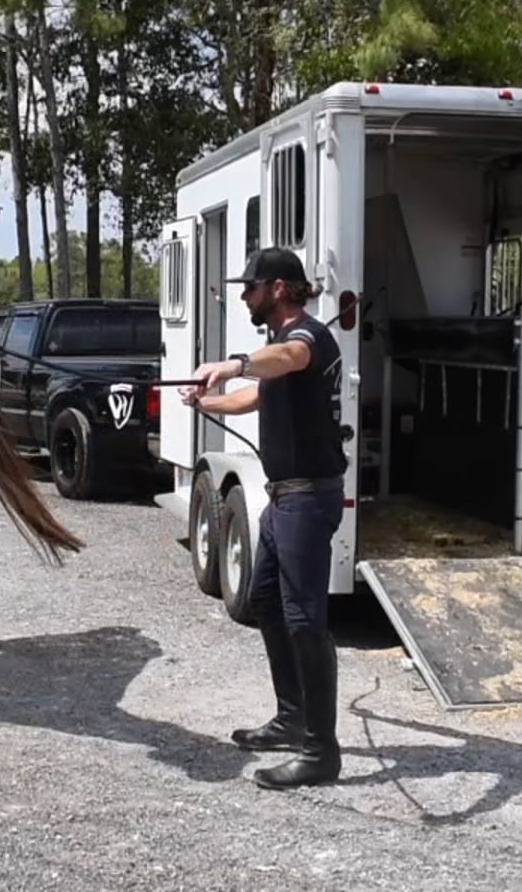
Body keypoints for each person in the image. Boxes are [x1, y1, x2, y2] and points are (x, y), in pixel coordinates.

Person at [181, 246, 348, 790]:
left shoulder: (307, 338)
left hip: (307, 498)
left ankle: (321, 752)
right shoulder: (280, 345)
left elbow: (286, 361)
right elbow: (256, 394)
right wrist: (206, 401)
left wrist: (231, 363)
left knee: (305, 620)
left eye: (250, 288)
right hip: (283, 499)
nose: (243, 296)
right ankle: (292, 717)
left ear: (279, 289)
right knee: (265, 601)